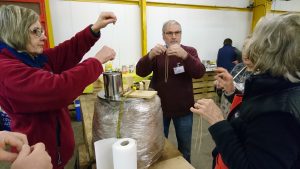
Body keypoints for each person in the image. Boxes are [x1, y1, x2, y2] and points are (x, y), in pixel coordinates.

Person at [0, 5, 116, 169]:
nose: (44, 37)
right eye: (36, 31)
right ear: (15, 32)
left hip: (54, 152)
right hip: (39, 158)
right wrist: (96, 61)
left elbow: (64, 52)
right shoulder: (7, 71)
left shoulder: (29, 58)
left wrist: (93, 29)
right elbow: (59, 89)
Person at [191, 13, 300, 169]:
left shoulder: (280, 112)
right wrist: (232, 91)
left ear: (269, 48)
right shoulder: (279, 86)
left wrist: (218, 121)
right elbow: (251, 120)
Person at [136, 20, 205, 162]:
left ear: (181, 34)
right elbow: (140, 72)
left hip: (184, 110)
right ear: (163, 36)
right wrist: (149, 56)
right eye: (169, 33)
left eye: (177, 32)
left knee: (185, 149)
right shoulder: (157, 53)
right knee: (159, 147)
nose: (173, 36)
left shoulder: (190, 51)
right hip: (160, 110)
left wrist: (185, 56)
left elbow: (199, 73)